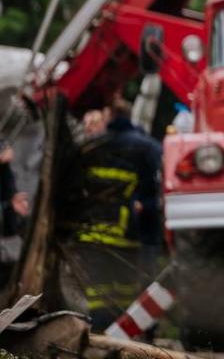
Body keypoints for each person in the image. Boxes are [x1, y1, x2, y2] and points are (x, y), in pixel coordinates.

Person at [68, 97, 163, 331]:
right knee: (130, 292)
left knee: (101, 295)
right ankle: (131, 336)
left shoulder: (91, 150)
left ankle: (105, 335)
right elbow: (159, 191)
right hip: (133, 236)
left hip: (95, 236)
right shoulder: (148, 147)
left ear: (108, 116)